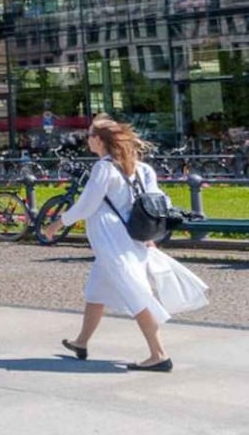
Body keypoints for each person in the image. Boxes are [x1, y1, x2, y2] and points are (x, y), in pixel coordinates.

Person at [42, 116, 174, 371]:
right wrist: (148, 236)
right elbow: (155, 201)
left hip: (112, 240)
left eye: (90, 135)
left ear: (99, 141)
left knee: (135, 294)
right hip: (133, 236)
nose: (87, 139)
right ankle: (81, 342)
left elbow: (86, 206)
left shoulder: (103, 168)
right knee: (96, 291)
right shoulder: (142, 168)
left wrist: (56, 224)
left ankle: (158, 354)